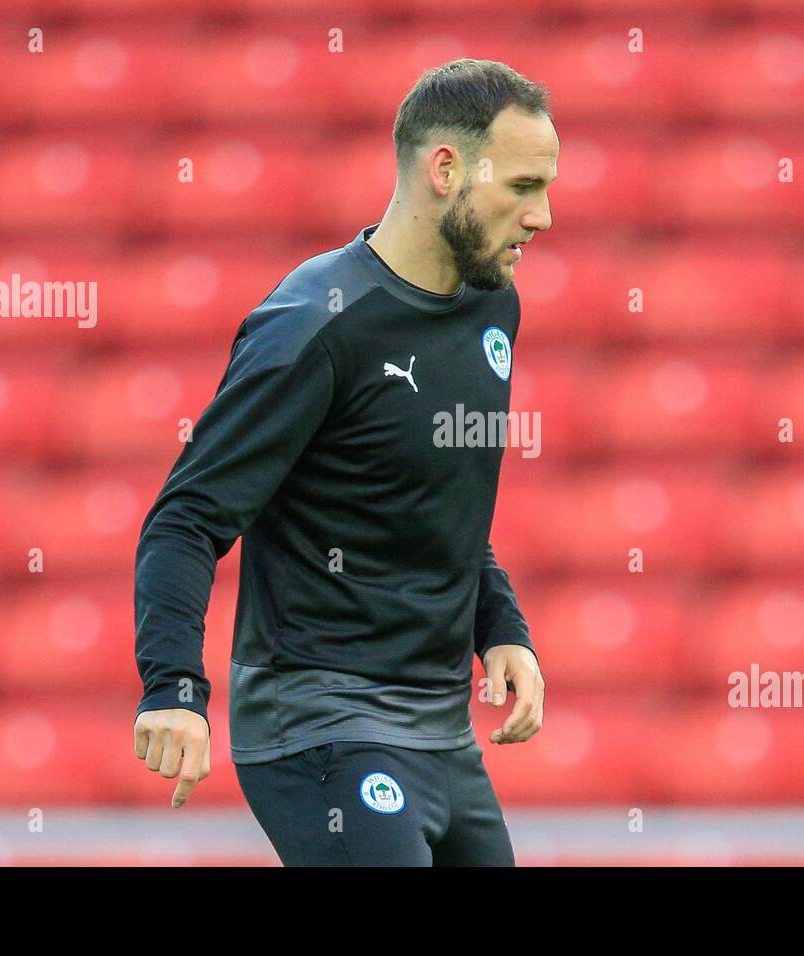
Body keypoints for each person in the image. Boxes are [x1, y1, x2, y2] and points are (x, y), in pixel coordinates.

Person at [132, 58, 558, 865]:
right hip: (319, 722)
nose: (542, 215)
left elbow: (434, 503)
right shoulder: (314, 327)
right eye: (524, 187)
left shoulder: (493, 304)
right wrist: (175, 689)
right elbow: (185, 518)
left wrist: (501, 629)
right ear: (445, 170)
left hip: (439, 731)